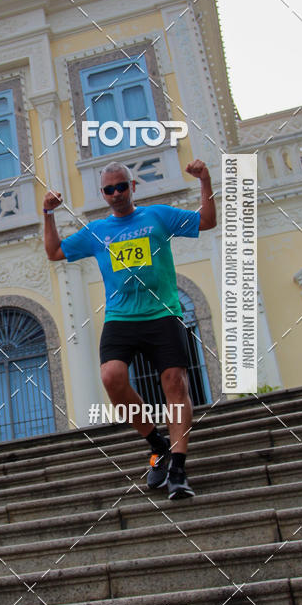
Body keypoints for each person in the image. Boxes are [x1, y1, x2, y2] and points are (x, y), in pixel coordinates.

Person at [43, 159, 217, 500]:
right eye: (110, 189)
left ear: (132, 186)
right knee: (111, 378)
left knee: (174, 383)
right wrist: (48, 214)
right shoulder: (96, 232)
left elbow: (208, 221)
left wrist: (205, 181)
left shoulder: (158, 216)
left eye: (122, 186)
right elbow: (54, 252)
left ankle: (178, 470)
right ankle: (157, 443)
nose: (117, 193)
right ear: (103, 194)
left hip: (163, 312)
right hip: (121, 318)